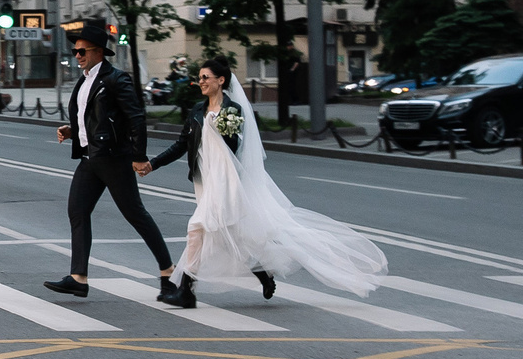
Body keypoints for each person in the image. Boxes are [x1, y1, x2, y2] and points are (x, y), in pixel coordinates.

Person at [145, 55, 387, 309]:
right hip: (205, 181)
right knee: (233, 235)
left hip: (227, 182)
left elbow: (236, 150)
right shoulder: (197, 110)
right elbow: (181, 144)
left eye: (206, 78)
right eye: (200, 78)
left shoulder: (232, 111)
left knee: (197, 228)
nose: (201, 82)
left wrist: (222, 130)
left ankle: (187, 290)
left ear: (221, 80)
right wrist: (153, 163)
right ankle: (263, 272)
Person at [42, 19, 177, 303]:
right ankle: (78, 277)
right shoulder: (84, 80)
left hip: (114, 159)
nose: (76, 56)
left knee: (135, 215)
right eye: (75, 52)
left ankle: (168, 274)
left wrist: (139, 157)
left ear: (98, 51)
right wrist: (73, 131)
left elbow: (135, 117)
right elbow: (90, 117)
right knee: (77, 211)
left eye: (82, 51)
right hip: (90, 159)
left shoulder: (116, 79)